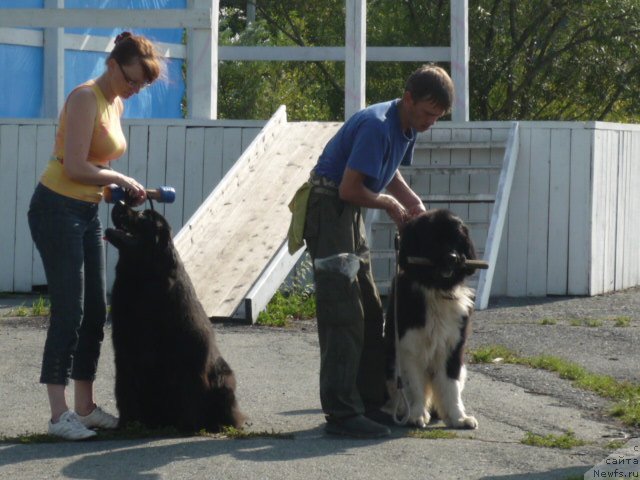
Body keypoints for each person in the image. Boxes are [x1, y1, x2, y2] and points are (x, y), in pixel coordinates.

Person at [292, 64, 454, 439]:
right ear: (408, 98)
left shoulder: (405, 127)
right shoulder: (377, 124)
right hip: (330, 207)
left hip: (348, 213)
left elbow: (388, 170)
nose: (431, 122)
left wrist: (412, 201)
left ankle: (367, 403)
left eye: (438, 116)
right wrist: (388, 205)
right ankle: (341, 412)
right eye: (428, 113)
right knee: (343, 311)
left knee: (369, 310)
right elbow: (350, 188)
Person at [27, 31, 163, 440]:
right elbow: (74, 167)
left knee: (94, 313)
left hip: (86, 210)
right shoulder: (85, 97)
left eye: (141, 85)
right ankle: (58, 416)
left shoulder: (115, 102)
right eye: (131, 80)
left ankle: (84, 408)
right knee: (69, 311)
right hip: (55, 208)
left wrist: (120, 190)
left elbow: (96, 170)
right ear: (112, 64)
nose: (135, 90)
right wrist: (121, 177)